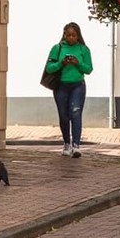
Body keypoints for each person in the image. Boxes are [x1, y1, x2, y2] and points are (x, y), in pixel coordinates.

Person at [45, 22, 93, 158]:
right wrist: (61, 63)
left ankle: (76, 145)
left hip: (77, 85)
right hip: (61, 86)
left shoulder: (84, 49)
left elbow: (89, 69)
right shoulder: (57, 48)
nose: (71, 38)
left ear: (78, 36)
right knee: (64, 116)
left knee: (76, 113)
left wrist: (78, 63)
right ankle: (67, 143)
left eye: (74, 35)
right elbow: (49, 68)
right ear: (64, 35)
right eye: (68, 35)